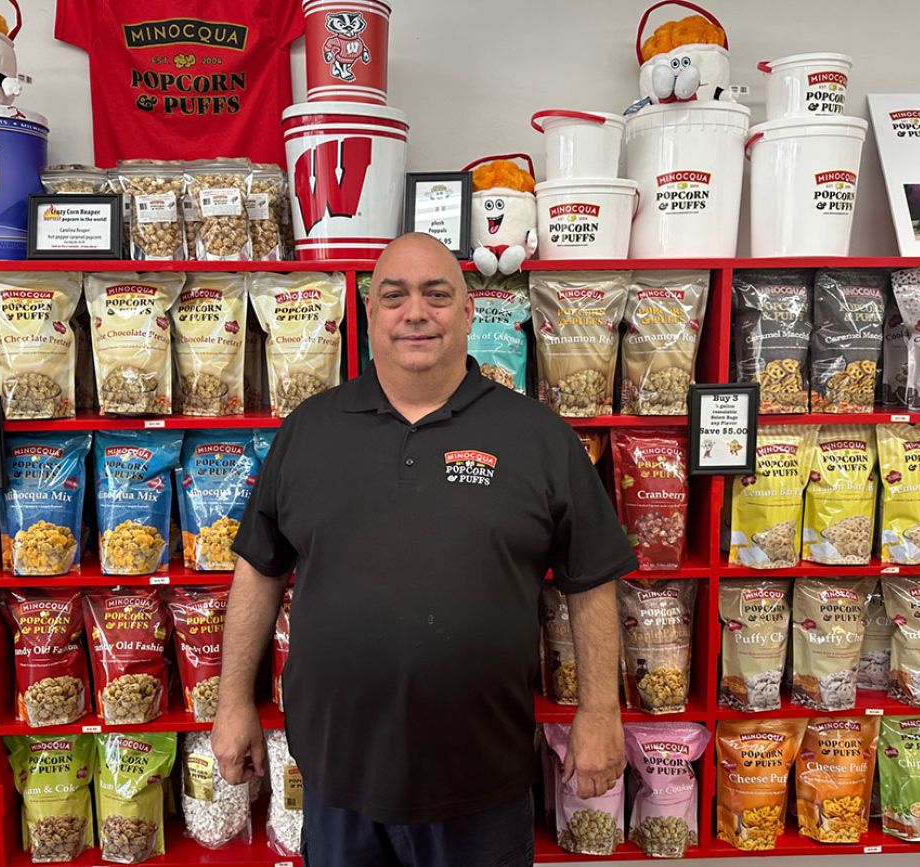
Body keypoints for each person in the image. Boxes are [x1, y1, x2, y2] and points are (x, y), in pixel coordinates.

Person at [213, 232, 635, 866]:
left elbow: (591, 577)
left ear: (468, 312)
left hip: (480, 782)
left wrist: (600, 712)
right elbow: (259, 569)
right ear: (371, 312)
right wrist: (231, 703)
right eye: (395, 295)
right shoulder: (310, 430)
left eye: (437, 294)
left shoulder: (537, 435)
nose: (416, 312)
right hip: (337, 777)